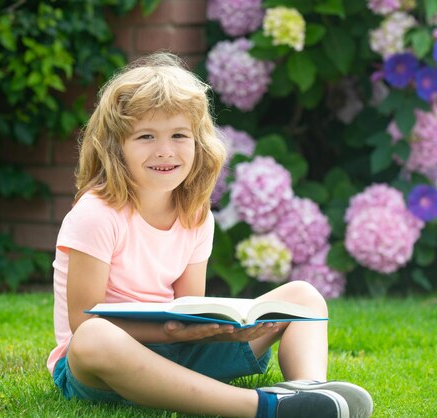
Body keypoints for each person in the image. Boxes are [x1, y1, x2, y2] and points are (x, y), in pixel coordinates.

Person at [47, 52, 373, 418]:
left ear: (199, 143)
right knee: (94, 337)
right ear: (115, 147)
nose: (165, 150)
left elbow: (192, 310)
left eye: (179, 135)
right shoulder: (97, 213)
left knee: (304, 297)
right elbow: (83, 321)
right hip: (102, 365)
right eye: (146, 136)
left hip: (175, 350)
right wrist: (172, 333)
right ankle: (264, 408)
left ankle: (309, 394)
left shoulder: (196, 214)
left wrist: (224, 330)